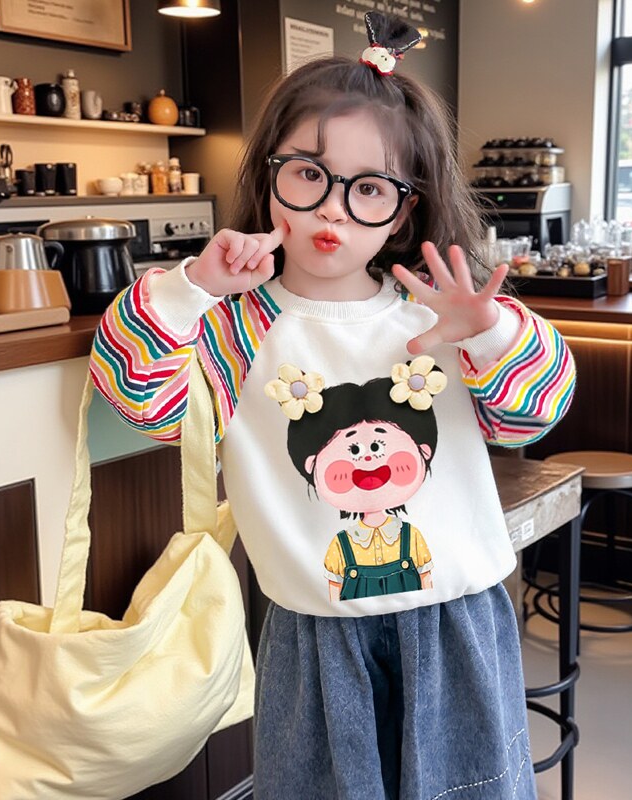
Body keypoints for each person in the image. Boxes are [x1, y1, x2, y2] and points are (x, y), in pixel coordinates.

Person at [90, 12, 575, 799]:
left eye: (370, 188)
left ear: (405, 209)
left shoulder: (440, 311)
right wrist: (192, 287)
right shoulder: (235, 323)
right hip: (313, 634)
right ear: (270, 174)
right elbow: (137, 398)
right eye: (308, 174)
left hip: (457, 620)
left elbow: (536, 411)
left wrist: (490, 330)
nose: (334, 209)